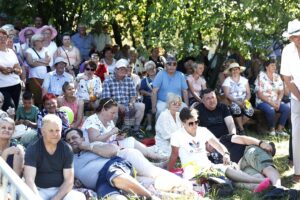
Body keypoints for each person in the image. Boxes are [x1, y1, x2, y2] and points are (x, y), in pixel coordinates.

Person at [168, 107, 270, 190]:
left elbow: (218, 145)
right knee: (224, 178)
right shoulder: (177, 136)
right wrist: (169, 171)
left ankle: (256, 182)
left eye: (197, 122)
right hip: (191, 169)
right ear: (183, 123)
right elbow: (174, 155)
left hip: (207, 165)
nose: (195, 125)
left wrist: (225, 154)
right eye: (191, 123)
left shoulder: (202, 130)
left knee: (226, 169)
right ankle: (257, 181)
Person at [82, 98, 166, 161]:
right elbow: (94, 141)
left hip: (109, 146)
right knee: (130, 152)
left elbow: (110, 137)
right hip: (96, 152)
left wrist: (118, 136)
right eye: (112, 112)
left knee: (131, 140)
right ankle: (156, 159)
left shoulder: (108, 120)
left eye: (115, 113)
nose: (115, 115)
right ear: (103, 109)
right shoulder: (92, 120)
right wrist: (111, 133)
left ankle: (156, 157)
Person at [23, 114, 85, 200]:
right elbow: (29, 180)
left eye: (57, 130)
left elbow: (69, 181)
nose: (55, 134)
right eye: (51, 131)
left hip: (60, 190)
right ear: (43, 131)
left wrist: (55, 199)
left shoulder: (66, 149)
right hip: (39, 190)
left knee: (79, 197)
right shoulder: (33, 148)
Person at [102, 59, 145, 133]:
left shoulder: (129, 80)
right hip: (113, 104)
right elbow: (107, 98)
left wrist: (131, 102)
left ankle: (136, 128)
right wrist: (118, 105)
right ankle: (111, 131)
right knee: (112, 109)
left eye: (125, 69)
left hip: (127, 104)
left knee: (141, 106)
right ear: (115, 70)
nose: (123, 71)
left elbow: (133, 95)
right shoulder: (108, 80)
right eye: (120, 69)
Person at [281, 19, 300, 182]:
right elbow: (286, 77)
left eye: (298, 36)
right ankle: (298, 172)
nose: (297, 39)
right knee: (297, 133)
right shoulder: (287, 51)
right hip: (296, 96)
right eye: (293, 37)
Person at [255, 59, 290, 136]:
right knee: (271, 110)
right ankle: (272, 129)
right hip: (262, 102)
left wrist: (278, 101)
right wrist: (272, 103)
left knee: (286, 108)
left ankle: (279, 129)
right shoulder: (261, 76)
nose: (275, 67)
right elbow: (259, 94)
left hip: (275, 101)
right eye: (272, 65)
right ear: (266, 67)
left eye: (275, 65)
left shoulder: (277, 76)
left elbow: (281, 91)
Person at [223, 62, 254, 135]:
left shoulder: (244, 80)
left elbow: (248, 93)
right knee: (236, 109)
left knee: (250, 110)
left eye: (236, 69)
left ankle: (237, 127)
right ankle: (242, 130)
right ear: (230, 71)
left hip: (244, 100)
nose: (235, 71)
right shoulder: (227, 80)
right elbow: (227, 94)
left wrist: (244, 101)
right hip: (232, 101)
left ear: (239, 70)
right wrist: (237, 102)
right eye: (233, 70)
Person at [0, 28, 22, 111]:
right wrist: (13, 70)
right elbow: (4, 70)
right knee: (9, 108)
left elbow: (19, 70)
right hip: (2, 87)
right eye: (0, 37)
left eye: (4, 37)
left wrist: (13, 70)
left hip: (16, 85)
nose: (2, 39)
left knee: (15, 110)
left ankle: (13, 124)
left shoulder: (11, 51)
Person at [153, 93, 182, 157]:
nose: (177, 105)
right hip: (166, 144)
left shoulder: (178, 115)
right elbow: (167, 136)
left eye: (179, 103)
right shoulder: (164, 115)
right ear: (169, 104)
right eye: (174, 103)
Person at [25, 33, 50, 108]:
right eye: (41, 41)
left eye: (43, 40)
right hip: (34, 77)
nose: (43, 42)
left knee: (44, 96)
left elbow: (47, 61)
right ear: (35, 42)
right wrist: (43, 61)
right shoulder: (29, 50)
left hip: (45, 77)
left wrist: (36, 61)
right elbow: (30, 63)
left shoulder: (46, 49)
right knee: (35, 96)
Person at [139, 61, 156, 131]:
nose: (151, 71)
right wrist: (150, 94)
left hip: (159, 97)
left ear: (155, 68)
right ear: (147, 71)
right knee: (148, 102)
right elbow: (141, 90)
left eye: (152, 68)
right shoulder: (144, 80)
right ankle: (149, 124)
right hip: (148, 98)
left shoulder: (160, 78)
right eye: (149, 69)